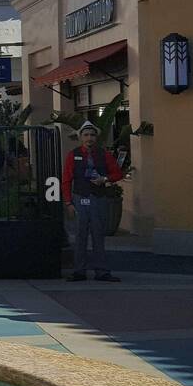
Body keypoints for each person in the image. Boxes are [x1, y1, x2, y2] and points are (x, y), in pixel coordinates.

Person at [62, 121, 123, 282]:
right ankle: (79, 271)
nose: (89, 138)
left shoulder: (104, 154)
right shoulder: (73, 155)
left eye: (92, 135)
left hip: (98, 198)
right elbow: (66, 180)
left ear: (96, 137)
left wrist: (104, 179)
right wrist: (68, 202)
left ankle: (101, 271)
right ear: (80, 137)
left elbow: (117, 173)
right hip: (79, 197)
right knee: (80, 236)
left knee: (98, 235)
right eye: (86, 135)